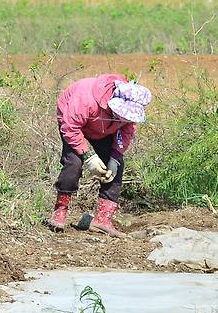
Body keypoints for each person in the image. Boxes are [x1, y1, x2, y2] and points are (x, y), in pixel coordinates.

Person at [47, 74, 152, 237]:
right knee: (73, 163)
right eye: (121, 114)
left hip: (105, 129)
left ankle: (103, 219)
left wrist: (115, 156)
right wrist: (89, 156)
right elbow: (70, 127)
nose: (124, 119)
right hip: (74, 124)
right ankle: (60, 210)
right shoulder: (85, 99)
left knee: (116, 166)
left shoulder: (129, 112)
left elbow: (126, 132)